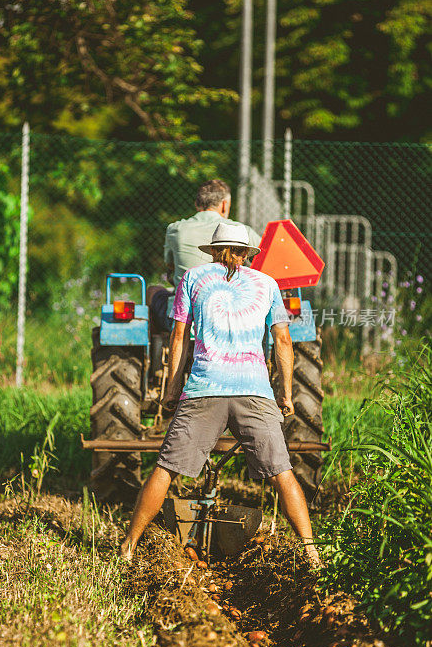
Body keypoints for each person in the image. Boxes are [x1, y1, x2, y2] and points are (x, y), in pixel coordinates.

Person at [121, 222, 321, 567]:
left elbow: (179, 337)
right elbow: (283, 342)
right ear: (247, 253)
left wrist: (171, 390)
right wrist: (285, 394)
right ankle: (311, 552)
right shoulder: (267, 283)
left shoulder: (192, 279)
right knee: (282, 473)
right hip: (255, 391)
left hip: (204, 388)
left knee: (166, 468)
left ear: (213, 250)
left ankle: (127, 547)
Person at [148, 179, 261, 333]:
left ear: (197, 203)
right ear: (224, 205)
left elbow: (170, 264)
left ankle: (157, 351)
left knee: (153, 291)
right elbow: (264, 260)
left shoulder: (176, 229)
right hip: (232, 313)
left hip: (184, 318)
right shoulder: (241, 231)